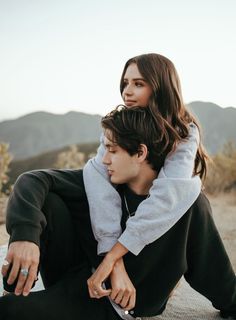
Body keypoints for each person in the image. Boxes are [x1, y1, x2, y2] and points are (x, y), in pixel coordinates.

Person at [0, 106, 236, 320]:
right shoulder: (105, 185)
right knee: (48, 199)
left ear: (141, 153)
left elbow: (210, 265)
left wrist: (231, 301)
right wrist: (24, 236)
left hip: (113, 306)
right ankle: (20, 286)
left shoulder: (184, 204)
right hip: (76, 277)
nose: (104, 159)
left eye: (112, 150)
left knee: (7, 310)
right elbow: (32, 180)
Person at [2, 53, 206, 298]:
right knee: (42, 189)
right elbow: (101, 188)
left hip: (148, 255)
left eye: (138, 84)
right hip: (102, 247)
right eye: (125, 83)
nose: (127, 92)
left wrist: (113, 258)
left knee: (195, 202)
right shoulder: (120, 128)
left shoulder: (184, 133)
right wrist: (26, 235)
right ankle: (23, 279)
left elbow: (167, 198)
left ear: (161, 87)